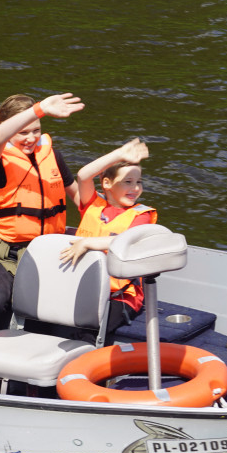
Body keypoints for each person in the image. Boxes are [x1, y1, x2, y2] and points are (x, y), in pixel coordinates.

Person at [0, 93, 84, 337]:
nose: (31, 138)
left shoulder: (52, 156)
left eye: (36, 130)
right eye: (23, 131)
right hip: (3, 251)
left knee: (46, 311)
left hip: (47, 252)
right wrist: (39, 108)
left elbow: (82, 200)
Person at [59, 138, 156, 332]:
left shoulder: (142, 215)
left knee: (89, 328)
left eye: (139, 182)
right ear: (107, 183)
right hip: (83, 285)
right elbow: (84, 175)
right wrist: (120, 154)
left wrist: (87, 243)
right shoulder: (92, 204)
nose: (135, 188)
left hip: (120, 294)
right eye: (128, 182)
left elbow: (125, 240)